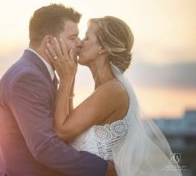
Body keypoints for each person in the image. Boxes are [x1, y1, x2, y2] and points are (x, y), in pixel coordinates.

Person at [0, 4, 116, 176]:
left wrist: (68, 79)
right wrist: (103, 169)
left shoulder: (37, 73)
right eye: (73, 38)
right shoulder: (27, 79)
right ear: (49, 42)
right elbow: (45, 147)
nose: (79, 43)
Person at [46, 16, 182, 176]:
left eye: (87, 37)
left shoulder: (112, 90)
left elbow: (62, 131)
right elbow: (69, 127)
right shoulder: (105, 90)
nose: (81, 43)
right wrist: (71, 77)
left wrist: (66, 78)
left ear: (102, 48)